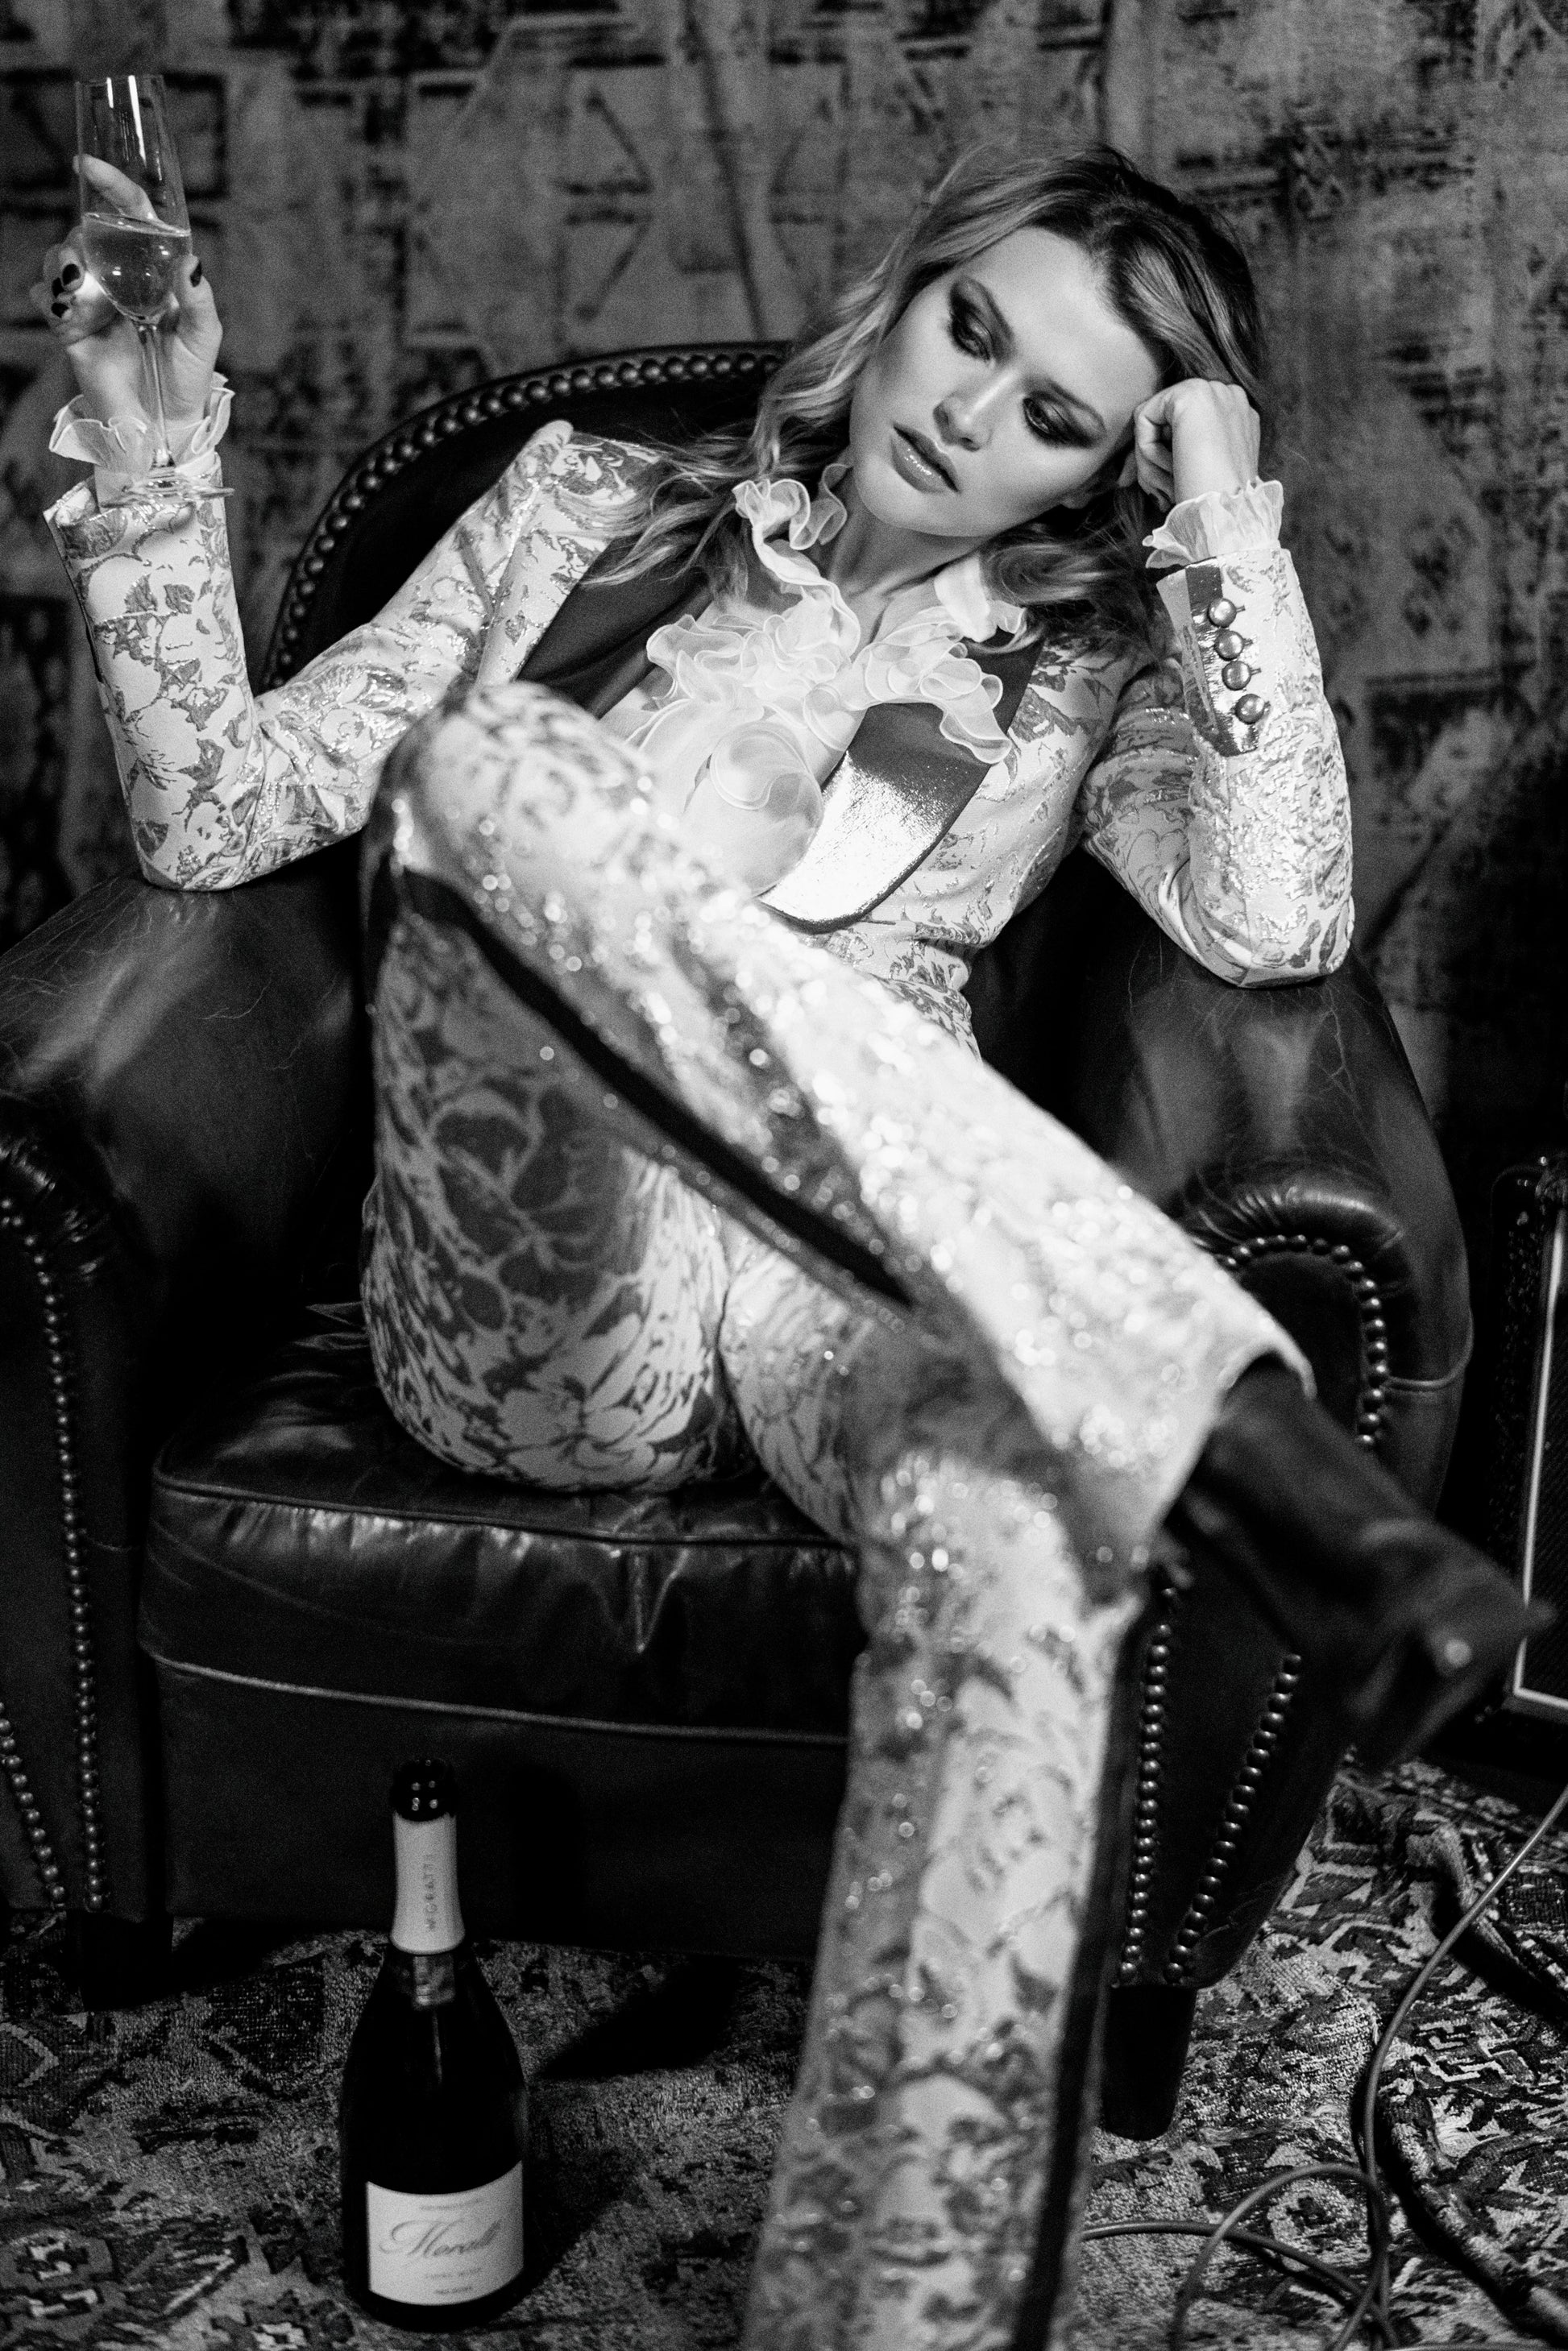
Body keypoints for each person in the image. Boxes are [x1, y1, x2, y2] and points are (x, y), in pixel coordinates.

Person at [35, 145, 1533, 2349]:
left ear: (1100, 474)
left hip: (852, 1278)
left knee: (1017, 1533)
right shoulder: (584, 503)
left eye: (1057, 415)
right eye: (971, 329)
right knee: (500, 788)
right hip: (548, 1279)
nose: (970, 410)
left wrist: (1221, 519)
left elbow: (1280, 915)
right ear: (904, 290)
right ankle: (1217, 1420)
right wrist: (155, 459)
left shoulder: (1085, 658)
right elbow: (221, 815)